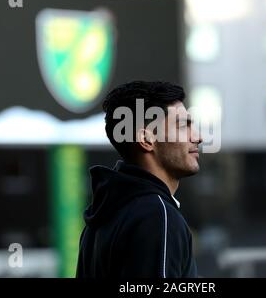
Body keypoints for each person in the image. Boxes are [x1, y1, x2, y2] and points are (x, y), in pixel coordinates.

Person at [76, 80, 202, 278]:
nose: (197, 136)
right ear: (146, 140)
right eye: (183, 126)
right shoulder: (159, 216)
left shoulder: (99, 219)